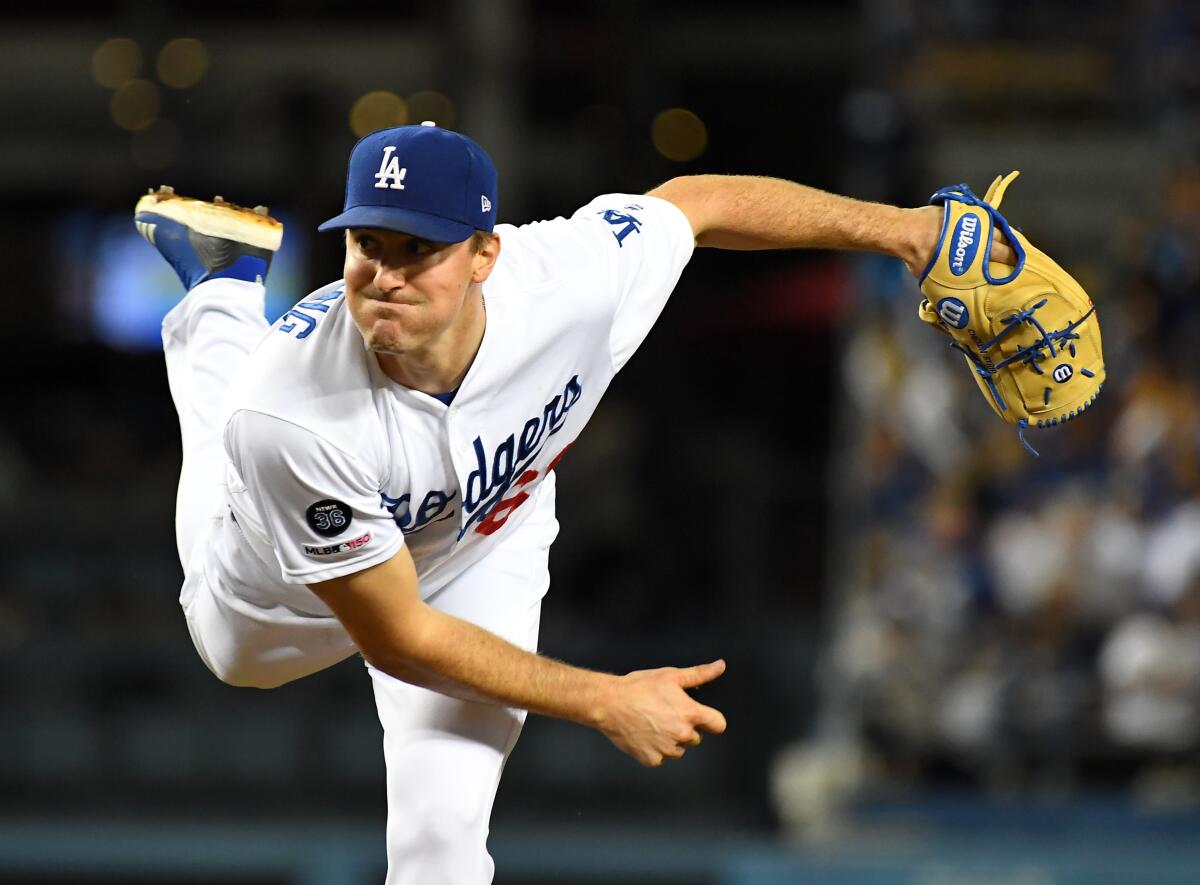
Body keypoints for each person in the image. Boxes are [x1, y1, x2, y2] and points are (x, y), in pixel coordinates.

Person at [135, 121, 997, 883]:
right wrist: (602, 697)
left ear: (485, 254)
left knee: (443, 836)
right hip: (288, 591)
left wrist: (909, 231)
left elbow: (696, 201)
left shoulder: (565, 281)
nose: (385, 274)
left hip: (483, 539)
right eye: (369, 243)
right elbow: (399, 636)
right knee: (229, 570)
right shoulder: (291, 415)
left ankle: (221, 291)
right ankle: (220, 291)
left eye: (417, 249)